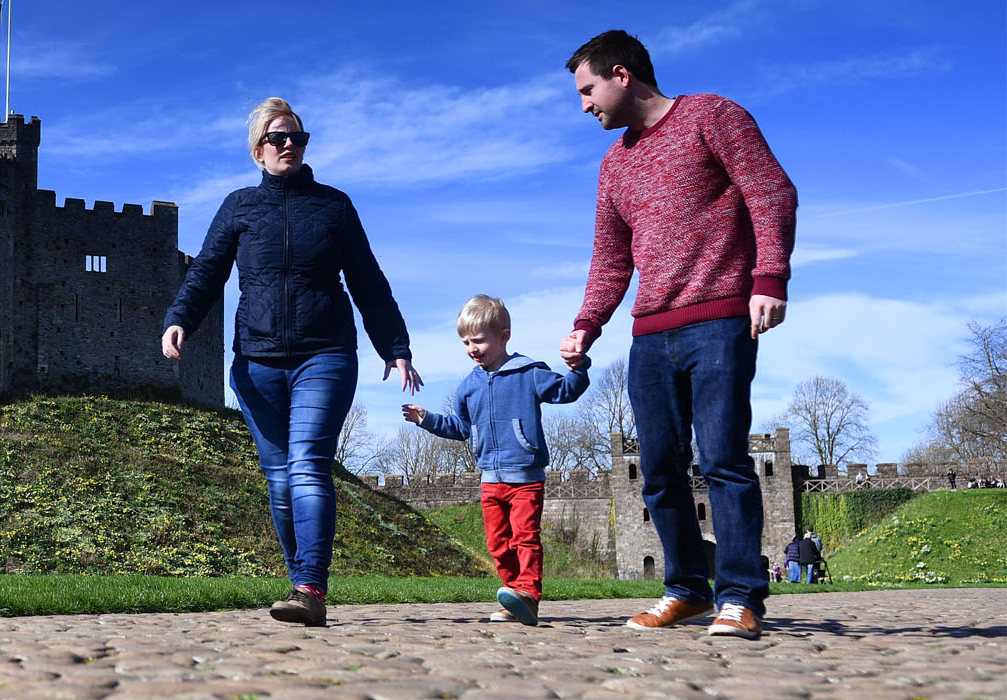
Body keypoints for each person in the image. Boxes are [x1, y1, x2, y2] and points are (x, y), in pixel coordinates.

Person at [559, 30, 796, 640]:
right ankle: (686, 590)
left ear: (622, 74)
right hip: (649, 335)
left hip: (720, 318)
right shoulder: (614, 163)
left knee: (723, 460)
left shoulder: (713, 116)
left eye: (588, 90)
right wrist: (588, 323)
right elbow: (610, 258)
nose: (584, 105)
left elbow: (771, 193)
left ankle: (740, 595)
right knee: (659, 469)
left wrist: (769, 276)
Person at [162, 97, 421, 627]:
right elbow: (207, 271)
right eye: (278, 138)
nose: (289, 146)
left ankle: (310, 587)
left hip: (324, 354)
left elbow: (368, 281)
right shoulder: (238, 207)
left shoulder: (334, 206)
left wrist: (395, 346)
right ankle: (300, 583)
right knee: (279, 480)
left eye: (297, 138)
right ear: (258, 149)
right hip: (255, 362)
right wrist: (180, 318)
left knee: (307, 468)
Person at [402, 295, 590, 626]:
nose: (472, 348)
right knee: (497, 543)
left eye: (479, 340)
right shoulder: (468, 387)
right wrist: (426, 419)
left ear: (503, 336)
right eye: (465, 342)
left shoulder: (529, 373)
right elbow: (461, 428)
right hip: (490, 478)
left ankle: (528, 595)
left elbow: (566, 391)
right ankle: (513, 594)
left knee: (525, 537)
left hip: (526, 477)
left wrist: (578, 367)